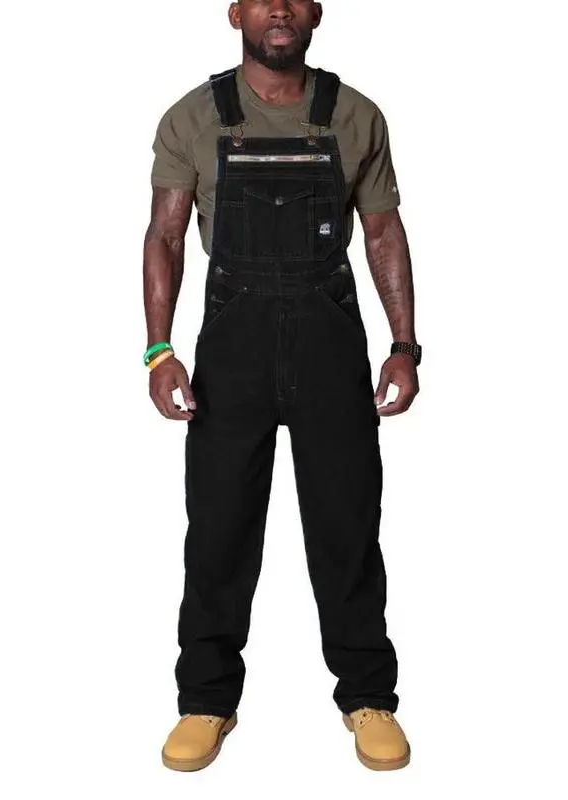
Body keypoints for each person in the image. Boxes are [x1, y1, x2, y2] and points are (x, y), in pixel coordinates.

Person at [143, 0, 420, 773]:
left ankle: (368, 697)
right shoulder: (192, 117)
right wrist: (160, 351)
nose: (280, 9)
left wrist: (404, 347)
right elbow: (165, 234)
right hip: (233, 346)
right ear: (235, 12)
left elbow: (384, 231)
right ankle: (206, 700)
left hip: (330, 340)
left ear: (315, 13)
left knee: (347, 523)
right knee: (219, 528)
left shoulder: (356, 115)